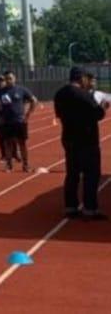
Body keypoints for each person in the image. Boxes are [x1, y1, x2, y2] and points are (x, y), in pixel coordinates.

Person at [54, 67, 108, 220]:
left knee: (72, 173)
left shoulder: (60, 94)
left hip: (69, 137)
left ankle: (70, 207)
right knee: (91, 174)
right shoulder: (83, 95)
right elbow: (96, 114)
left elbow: (58, 114)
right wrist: (103, 108)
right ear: (81, 78)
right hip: (86, 139)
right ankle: (89, 208)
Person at [0, 71, 37, 172]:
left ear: (15, 79)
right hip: (7, 121)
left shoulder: (21, 90)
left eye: (10, 78)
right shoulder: (1, 92)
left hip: (20, 121)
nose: (8, 80)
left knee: (22, 143)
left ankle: (25, 165)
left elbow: (33, 100)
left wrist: (28, 114)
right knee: (8, 143)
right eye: (6, 79)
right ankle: (9, 165)